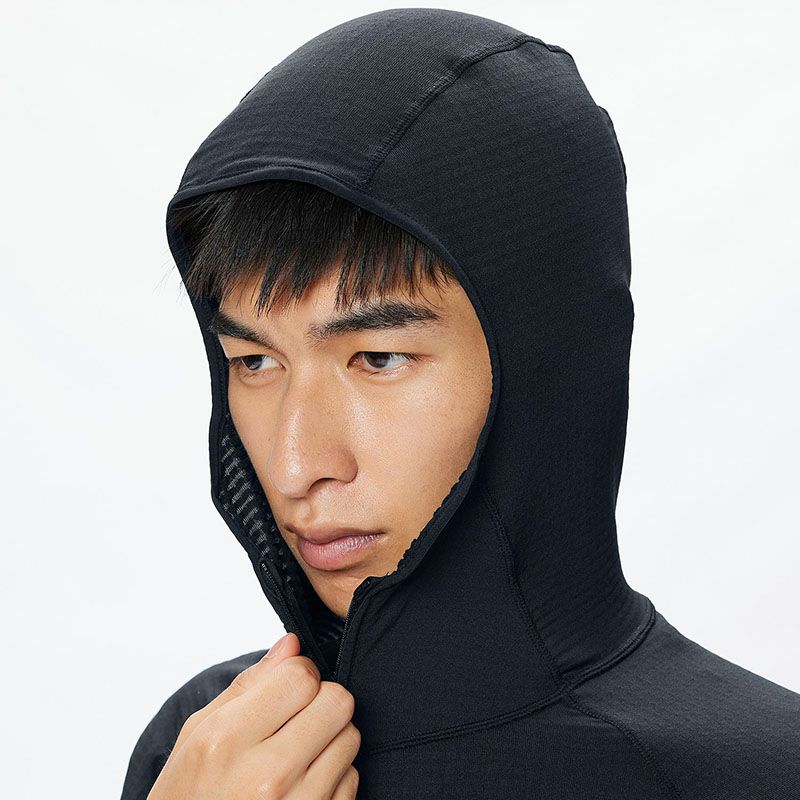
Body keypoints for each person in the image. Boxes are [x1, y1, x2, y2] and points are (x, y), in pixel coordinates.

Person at [121, 8, 800, 800]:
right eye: (255, 361)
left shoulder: (756, 777)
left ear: (548, 367)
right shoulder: (210, 751)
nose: (296, 464)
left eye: (378, 358)